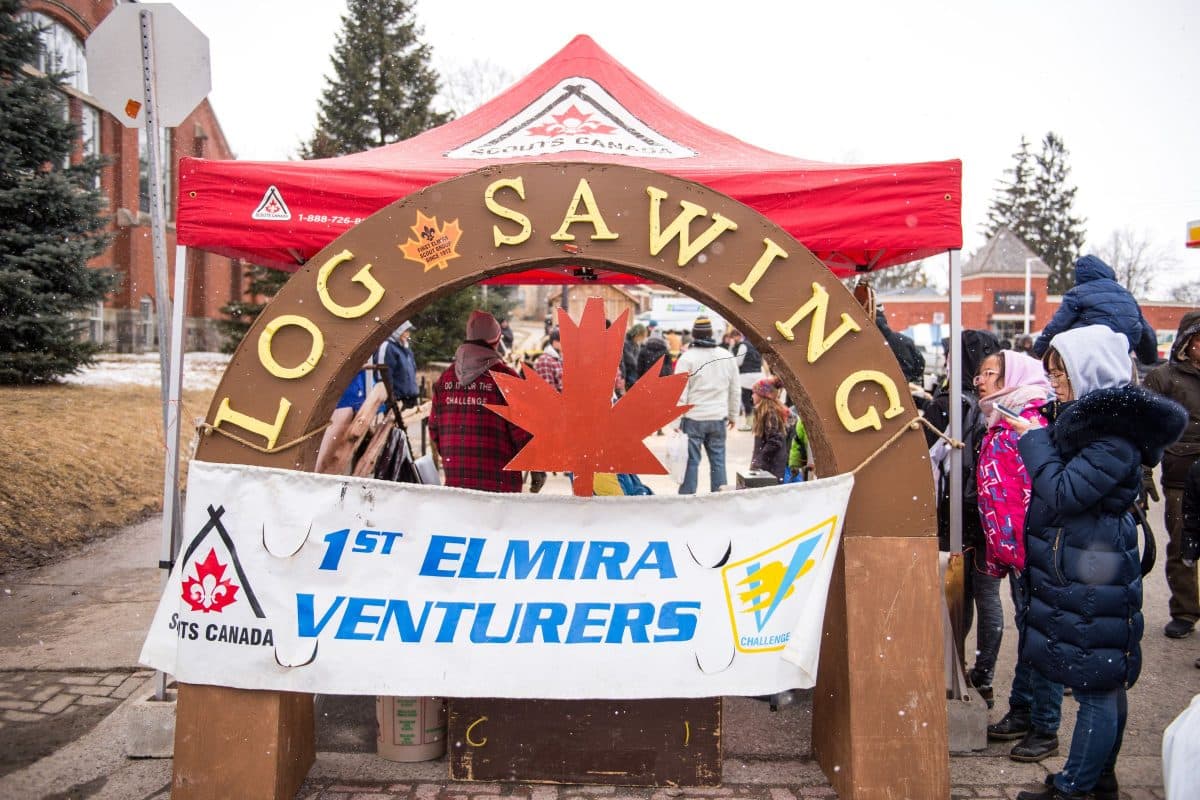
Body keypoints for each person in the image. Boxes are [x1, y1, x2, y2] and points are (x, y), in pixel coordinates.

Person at [1008, 325, 1186, 800]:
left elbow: (1065, 493)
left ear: (1087, 370)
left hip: (1094, 567)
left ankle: (1076, 786)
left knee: (1096, 683)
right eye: (1051, 372)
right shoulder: (1092, 427)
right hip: (1090, 563)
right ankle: (1099, 777)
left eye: (1061, 372)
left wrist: (1035, 441)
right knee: (1101, 678)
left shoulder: (1111, 436)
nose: (1054, 382)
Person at [974, 351, 1063, 757]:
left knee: (1043, 639)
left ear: (1013, 376)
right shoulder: (1004, 417)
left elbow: (1036, 490)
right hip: (1017, 552)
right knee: (1029, 633)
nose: (979, 380)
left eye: (988, 372)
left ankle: (1045, 726)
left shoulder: (1031, 420)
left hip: (1037, 551)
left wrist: (1026, 549)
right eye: (979, 373)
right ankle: (1022, 711)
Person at [428, 310, 532, 493]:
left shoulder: (445, 379)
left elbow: (434, 430)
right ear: (497, 340)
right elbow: (524, 434)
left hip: (457, 486)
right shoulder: (506, 378)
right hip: (500, 490)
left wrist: (457, 460)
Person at [1143, 311, 1200, 638]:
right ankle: (1185, 610)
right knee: (1182, 546)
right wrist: (1143, 474)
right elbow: (1145, 430)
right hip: (1180, 478)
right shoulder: (1163, 379)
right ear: (1188, 341)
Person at [1031, 254, 1158, 365]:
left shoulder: (1078, 293)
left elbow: (1058, 325)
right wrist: (1149, 357)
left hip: (1089, 354)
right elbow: (1145, 329)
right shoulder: (1126, 295)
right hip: (1121, 353)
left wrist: (1039, 350)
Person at [673, 316, 739, 494]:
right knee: (718, 462)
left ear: (694, 335)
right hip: (718, 417)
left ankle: (687, 500)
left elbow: (679, 392)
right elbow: (735, 390)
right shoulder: (727, 357)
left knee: (691, 463)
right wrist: (733, 415)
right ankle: (719, 498)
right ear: (711, 334)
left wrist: (676, 421)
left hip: (693, 418)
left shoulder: (687, 358)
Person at [527, 329, 564, 493]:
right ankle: (538, 473)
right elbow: (547, 389)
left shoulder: (557, 358)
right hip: (550, 409)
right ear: (555, 341)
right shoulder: (545, 360)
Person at [749, 376, 788, 482]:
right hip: (768, 466)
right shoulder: (764, 412)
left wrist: (759, 460)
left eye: (754, 393)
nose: (752, 396)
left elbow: (775, 440)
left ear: (763, 396)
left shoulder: (770, 413)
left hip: (771, 467)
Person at [728, 329, 763, 430]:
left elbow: (738, 362)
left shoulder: (743, 346)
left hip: (746, 377)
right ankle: (757, 423)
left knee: (747, 401)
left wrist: (731, 347)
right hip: (758, 375)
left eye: (733, 337)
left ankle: (749, 424)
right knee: (756, 401)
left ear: (738, 336)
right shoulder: (755, 344)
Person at [379, 321, 419, 409]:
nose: (408, 334)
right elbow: (382, 375)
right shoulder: (388, 347)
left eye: (409, 331)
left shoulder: (406, 348)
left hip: (410, 398)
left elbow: (412, 372)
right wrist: (390, 398)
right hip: (396, 400)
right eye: (405, 331)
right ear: (398, 330)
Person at [620, 323, 647, 392]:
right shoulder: (627, 343)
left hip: (632, 374)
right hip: (627, 374)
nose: (642, 339)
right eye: (642, 336)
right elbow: (631, 361)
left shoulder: (636, 343)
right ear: (637, 334)